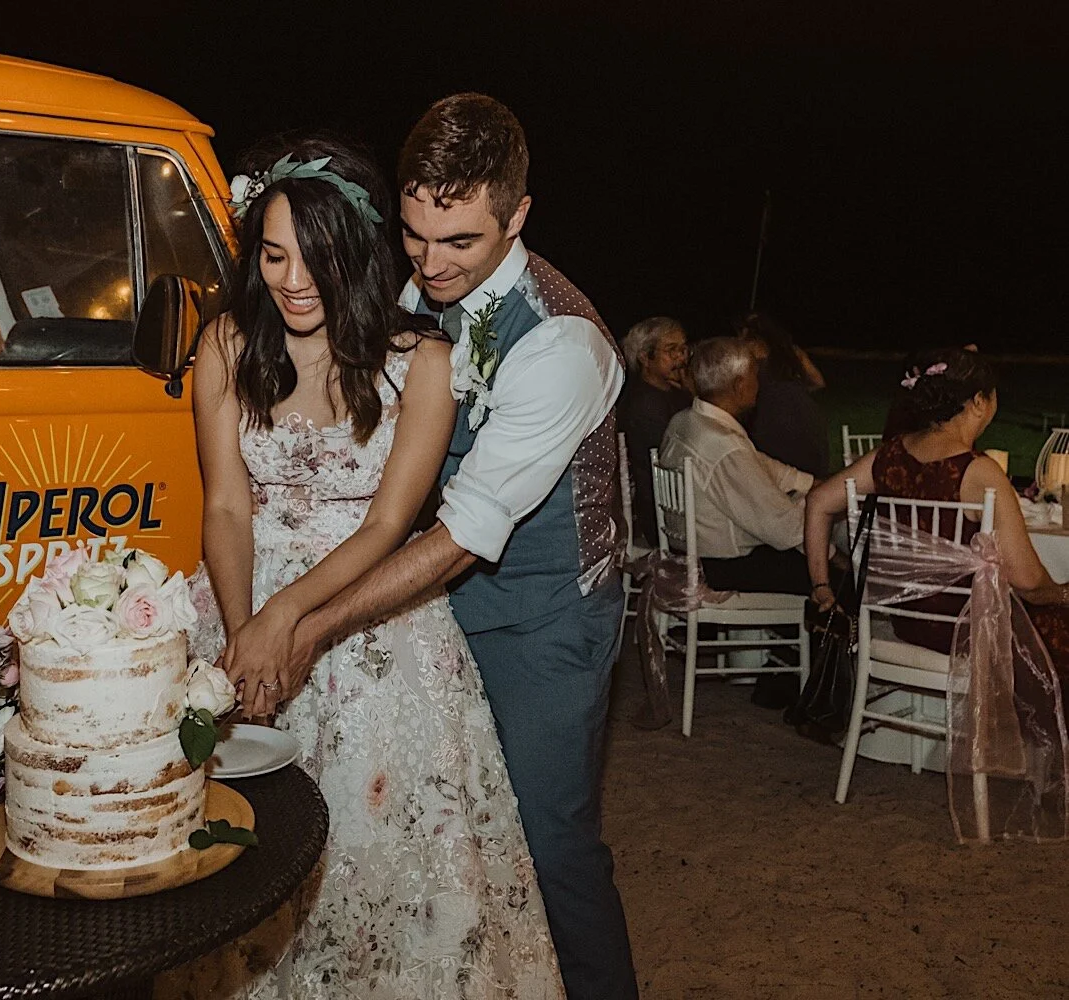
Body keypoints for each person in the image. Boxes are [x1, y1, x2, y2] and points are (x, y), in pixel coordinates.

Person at [237, 95, 637, 1000]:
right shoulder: (418, 289)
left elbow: (465, 532)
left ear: (517, 216)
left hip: (541, 619)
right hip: (427, 611)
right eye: (415, 236)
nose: (430, 262)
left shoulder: (561, 342)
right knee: (455, 836)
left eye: (460, 241)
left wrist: (308, 625)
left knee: (551, 842)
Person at [183, 134, 565, 999]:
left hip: (370, 622)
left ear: (357, 255)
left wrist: (287, 618)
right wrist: (243, 634)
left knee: (374, 849)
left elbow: (390, 523)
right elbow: (226, 505)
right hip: (239, 595)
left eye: (315, 259)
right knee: (235, 851)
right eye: (273, 255)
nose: (292, 281)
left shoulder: (420, 361)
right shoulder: (227, 344)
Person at [805, 347, 1069, 674]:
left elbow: (817, 501)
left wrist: (821, 587)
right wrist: (1061, 593)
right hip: (964, 630)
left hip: (905, 621)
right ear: (979, 402)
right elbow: (1027, 580)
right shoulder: (979, 472)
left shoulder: (887, 457)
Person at [659, 337, 814, 595]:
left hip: (691, 556)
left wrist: (810, 484)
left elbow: (762, 465)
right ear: (740, 385)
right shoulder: (722, 443)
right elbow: (783, 527)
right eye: (755, 374)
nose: (759, 383)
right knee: (837, 574)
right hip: (726, 569)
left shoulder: (685, 421)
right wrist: (832, 548)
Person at [619, 316, 691, 546]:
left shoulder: (676, 393)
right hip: (663, 512)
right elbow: (680, 455)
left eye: (683, 349)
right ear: (644, 357)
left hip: (683, 498)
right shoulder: (644, 403)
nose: (681, 358)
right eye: (671, 350)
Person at [736, 312, 828, 478]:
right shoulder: (791, 351)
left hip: (772, 422)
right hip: (806, 419)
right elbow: (818, 382)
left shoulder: (747, 353)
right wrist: (794, 391)